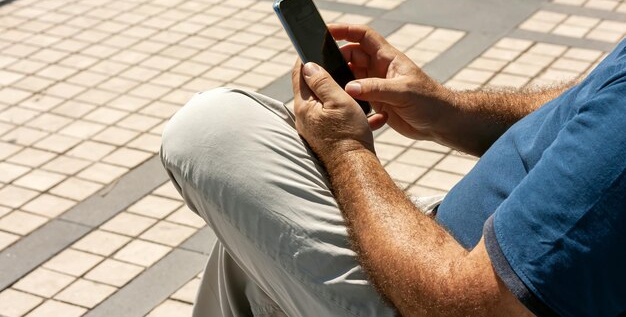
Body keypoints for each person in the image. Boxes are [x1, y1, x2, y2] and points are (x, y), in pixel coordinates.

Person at [160, 24, 626, 317]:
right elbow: (587, 106)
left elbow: (483, 306)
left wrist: (347, 153)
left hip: (447, 289)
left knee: (211, 131)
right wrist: (451, 113)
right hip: (471, 250)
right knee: (253, 252)